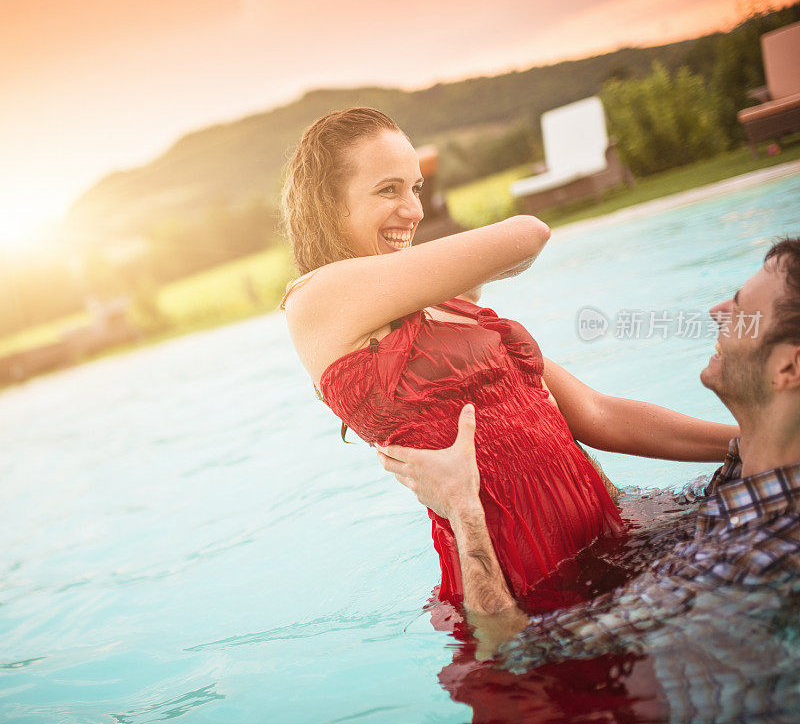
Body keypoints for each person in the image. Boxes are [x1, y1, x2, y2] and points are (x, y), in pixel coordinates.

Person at [281, 107, 736, 609]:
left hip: (612, 532)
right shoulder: (316, 299)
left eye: (415, 188)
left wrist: (748, 444)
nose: (413, 210)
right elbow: (528, 233)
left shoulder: (444, 305)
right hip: (526, 582)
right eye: (389, 190)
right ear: (326, 203)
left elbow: (595, 413)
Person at [376, 237, 800, 719]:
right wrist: (547, 436)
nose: (717, 310)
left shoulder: (754, 559)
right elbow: (639, 506)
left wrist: (462, 509)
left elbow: (511, 650)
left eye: (743, 310)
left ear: (789, 366)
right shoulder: (746, 480)